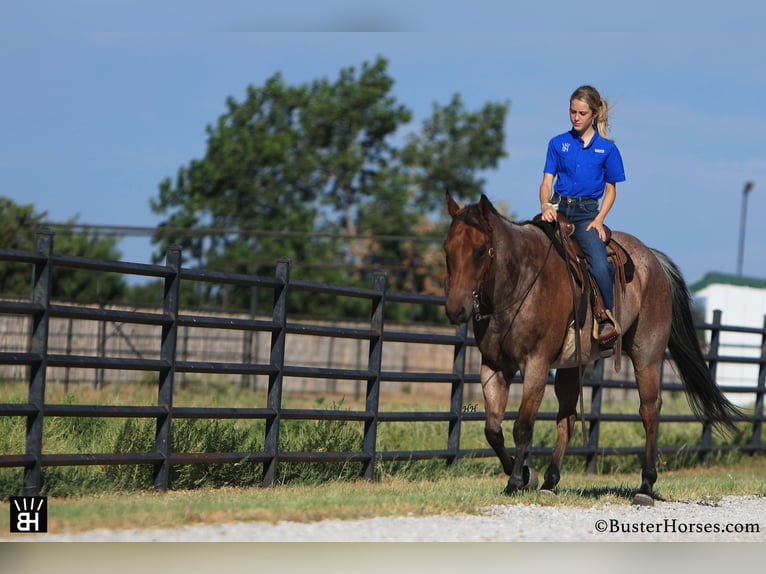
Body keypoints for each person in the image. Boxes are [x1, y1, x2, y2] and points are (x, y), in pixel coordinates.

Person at [539, 85, 625, 346]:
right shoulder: (557, 143)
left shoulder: (607, 150)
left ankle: (605, 318)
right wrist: (545, 205)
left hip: (587, 213)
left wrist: (599, 220)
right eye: (572, 111)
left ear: (594, 114)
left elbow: (611, 191)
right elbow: (546, 182)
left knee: (599, 264)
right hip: (558, 209)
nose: (576, 117)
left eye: (582, 113)